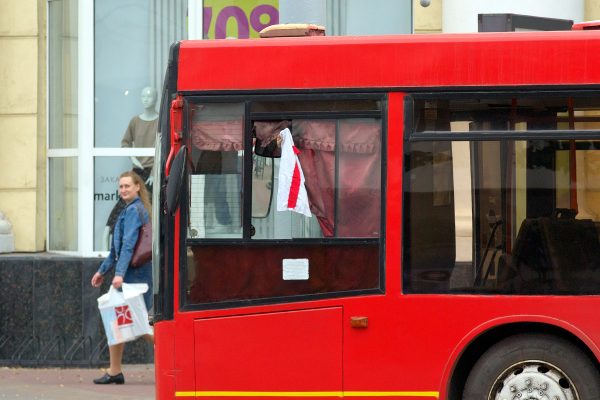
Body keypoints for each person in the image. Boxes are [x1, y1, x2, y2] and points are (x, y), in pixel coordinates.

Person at [91, 171, 153, 385]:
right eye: (121, 187)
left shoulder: (135, 210)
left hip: (134, 277)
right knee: (116, 323)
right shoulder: (128, 210)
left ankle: (179, 358)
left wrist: (118, 275)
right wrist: (102, 271)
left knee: (142, 326)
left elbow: (128, 245)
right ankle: (115, 370)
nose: (123, 190)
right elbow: (116, 250)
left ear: (137, 187)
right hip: (128, 275)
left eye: (127, 186)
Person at [102, 86, 158, 250]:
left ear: (155, 99)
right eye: (143, 96)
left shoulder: (159, 121)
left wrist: (155, 171)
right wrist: (134, 159)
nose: (146, 99)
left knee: (150, 209)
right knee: (125, 201)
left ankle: (149, 246)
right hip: (138, 171)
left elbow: (163, 148)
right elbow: (125, 143)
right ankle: (107, 237)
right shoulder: (135, 121)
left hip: (153, 172)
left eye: (150, 96)